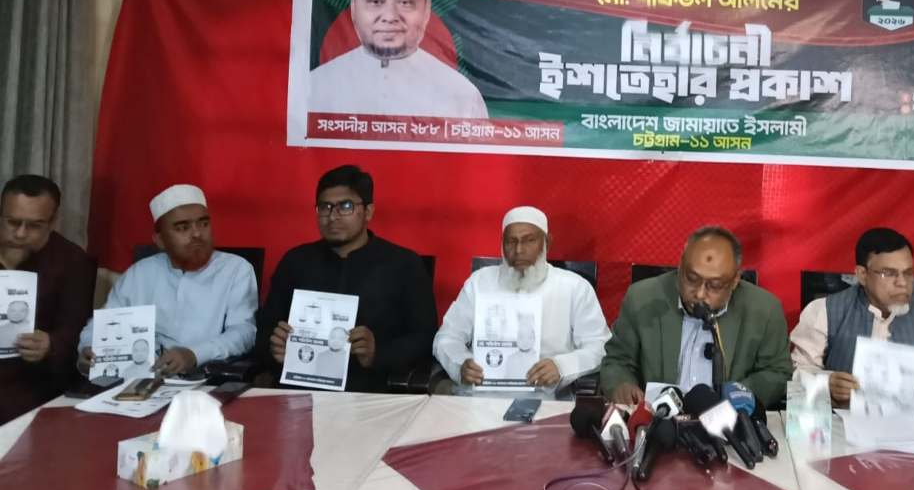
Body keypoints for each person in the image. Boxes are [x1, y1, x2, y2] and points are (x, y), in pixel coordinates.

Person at [791, 228, 914, 429]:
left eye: (908, 273)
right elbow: (801, 370)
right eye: (888, 273)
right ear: (862, 275)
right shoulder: (824, 311)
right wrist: (826, 384)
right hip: (842, 431)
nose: (902, 283)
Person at [258, 165, 437, 392]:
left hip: (370, 391)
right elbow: (264, 331)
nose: (333, 216)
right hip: (298, 388)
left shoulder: (404, 264)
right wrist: (274, 348)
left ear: (368, 211)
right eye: (325, 207)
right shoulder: (295, 261)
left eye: (345, 206)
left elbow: (425, 337)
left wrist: (377, 353)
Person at [601, 226, 793, 409]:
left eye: (715, 285)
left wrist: (735, 397)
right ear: (681, 263)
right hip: (658, 419)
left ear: (735, 280)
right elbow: (618, 361)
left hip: (728, 421)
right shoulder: (641, 299)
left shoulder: (765, 311)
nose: (700, 294)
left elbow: (777, 372)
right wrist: (621, 384)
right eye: (692, 278)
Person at [77, 184, 258, 378]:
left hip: (205, 379)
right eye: (183, 228)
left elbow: (243, 332)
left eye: (203, 224)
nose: (197, 234)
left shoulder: (236, 269)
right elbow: (101, 325)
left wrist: (195, 354)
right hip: (139, 378)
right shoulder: (140, 273)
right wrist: (88, 348)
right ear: (160, 240)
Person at [434, 206, 610, 394]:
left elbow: (600, 347)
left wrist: (561, 367)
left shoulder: (575, 287)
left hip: (550, 397)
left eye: (529, 240)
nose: (518, 250)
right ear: (502, 243)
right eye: (511, 241)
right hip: (480, 394)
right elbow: (447, 337)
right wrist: (460, 363)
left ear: (547, 242)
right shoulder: (480, 282)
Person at [309, 0, 488, 118]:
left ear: (426, 10)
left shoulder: (462, 95)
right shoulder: (315, 86)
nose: (390, 16)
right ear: (354, 9)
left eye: (405, 2)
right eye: (375, 1)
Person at [0, 175, 96, 424]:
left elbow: (77, 328)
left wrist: (51, 344)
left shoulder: (72, 261)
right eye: (12, 222)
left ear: (53, 222)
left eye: (34, 226)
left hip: (30, 374)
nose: (20, 234)